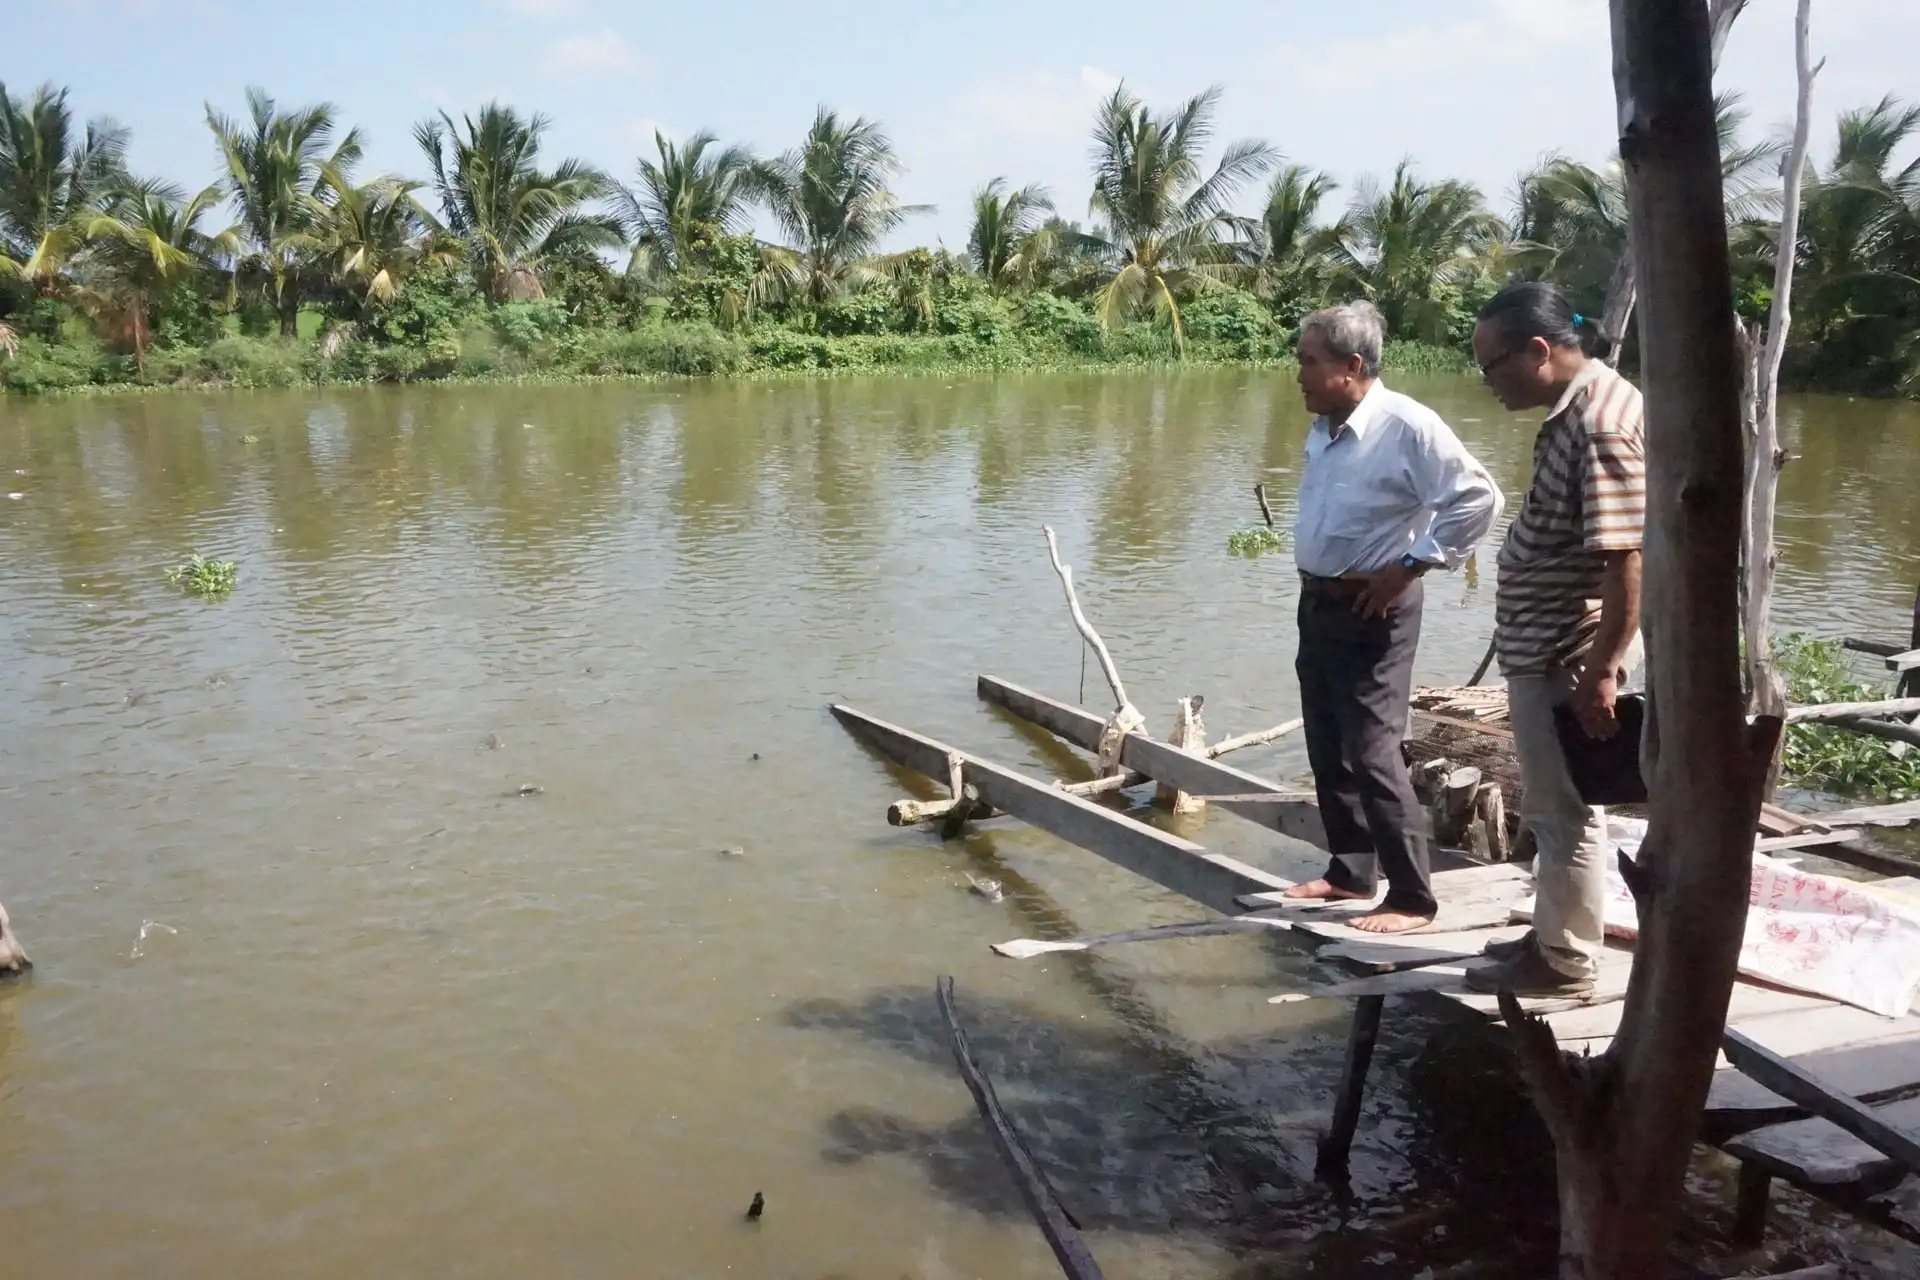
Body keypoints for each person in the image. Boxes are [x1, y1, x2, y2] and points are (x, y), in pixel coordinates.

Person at [1283, 301, 1503, 934]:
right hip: (1319, 602)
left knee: (1374, 750)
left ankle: (1412, 897)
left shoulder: (1408, 425)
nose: (1298, 374)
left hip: (1372, 608)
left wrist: (1411, 565)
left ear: (1353, 366)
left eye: (1309, 362)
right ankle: (1351, 870)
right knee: (1327, 740)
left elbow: (1478, 499)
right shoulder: (1325, 427)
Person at [1464, 281, 1645, 998]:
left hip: (1566, 656)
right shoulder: (1584, 407)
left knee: (1562, 811)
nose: (1487, 383)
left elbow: (1626, 556)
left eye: (1492, 365)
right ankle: (1554, 933)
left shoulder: (1599, 423)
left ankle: (1564, 962)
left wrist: (1602, 670)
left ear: (1538, 351)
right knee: (1561, 807)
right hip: (1553, 648)